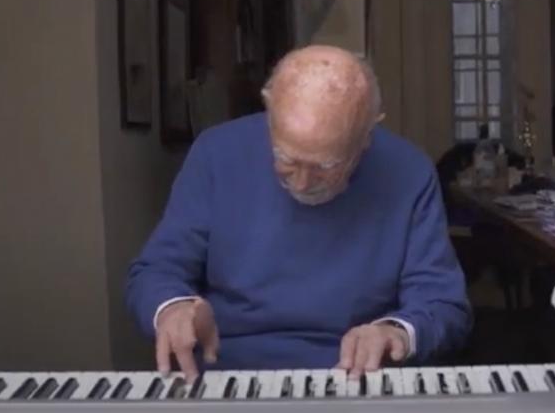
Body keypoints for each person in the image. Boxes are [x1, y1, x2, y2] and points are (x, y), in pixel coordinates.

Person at [125, 45, 472, 383]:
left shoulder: (409, 171)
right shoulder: (215, 153)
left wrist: (396, 332)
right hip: (229, 371)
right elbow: (156, 270)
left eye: (325, 166)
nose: (303, 183)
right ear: (270, 115)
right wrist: (173, 307)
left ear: (367, 136)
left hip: (356, 375)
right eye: (286, 159)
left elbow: (444, 305)